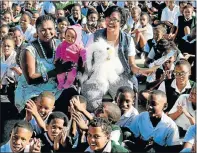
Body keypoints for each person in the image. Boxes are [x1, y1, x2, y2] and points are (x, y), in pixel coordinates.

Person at [83, 6, 159, 111]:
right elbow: (87, 58)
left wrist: (142, 70)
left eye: (114, 19)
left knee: (126, 100)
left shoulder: (128, 40)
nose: (110, 22)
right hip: (97, 76)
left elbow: (132, 65)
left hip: (119, 76)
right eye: (108, 18)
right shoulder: (95, 36)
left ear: (121, 22)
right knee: (91, 102)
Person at [15, 15, 78, 115]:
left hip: (56, 89)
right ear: (37, 31)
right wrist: (56, 72)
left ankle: (71, 128)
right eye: (43, 30)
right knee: (42, 104)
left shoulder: (59, 45)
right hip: (33, 91)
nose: (47, 33)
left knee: (75, 97)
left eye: (50, 29)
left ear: (55, 29)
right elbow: (31, 79)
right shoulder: (29, 50)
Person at [55, 24, 86, 90]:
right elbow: (58, 50)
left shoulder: (78, 45)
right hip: (62, 61)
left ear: (76, 38)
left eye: (72, 37)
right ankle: (61, 82)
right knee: (60, 74)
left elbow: (83, 52)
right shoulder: (63, 43)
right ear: (65, 35)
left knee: (72, 75)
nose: (69, 38)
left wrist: (84, 60)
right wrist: (57, 58)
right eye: (68, 36)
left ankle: (69, 83)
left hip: (73, 63)